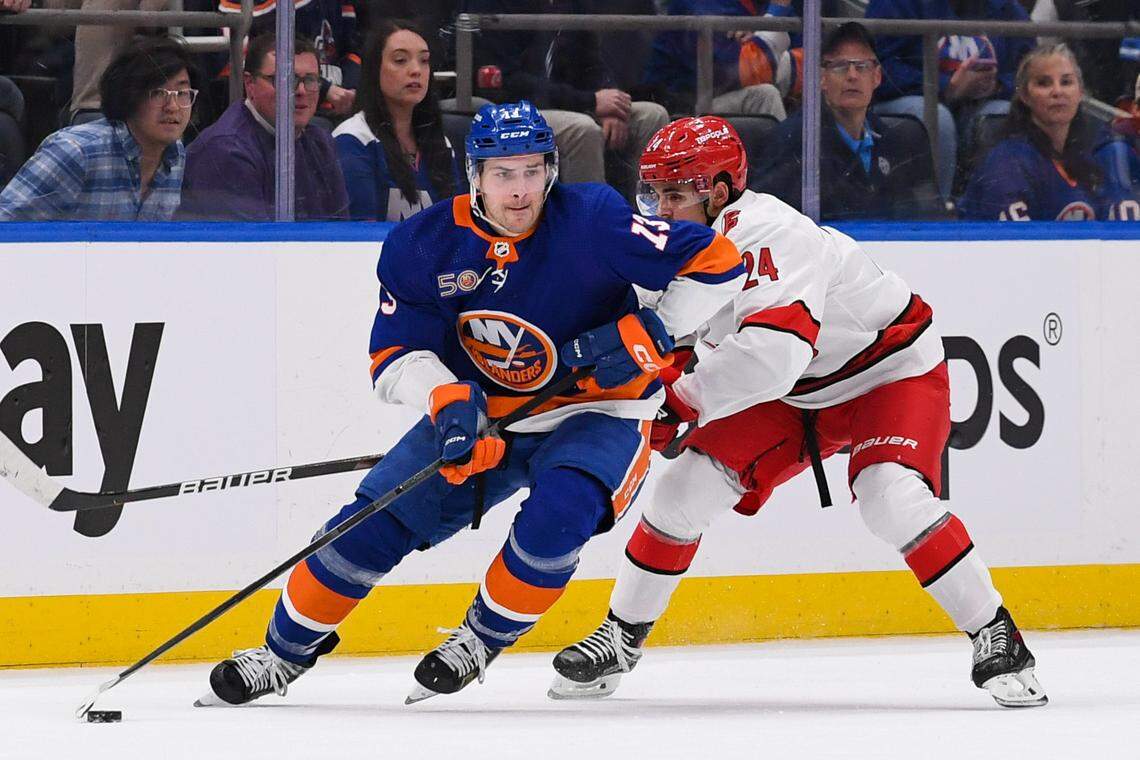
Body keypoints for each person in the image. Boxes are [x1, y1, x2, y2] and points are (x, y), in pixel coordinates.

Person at [195, 100, 745, 707]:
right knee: (367, 527)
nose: (520, 190)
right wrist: (449, 400)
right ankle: (281, 654)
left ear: (551, 171)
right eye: (503, 174)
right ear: (474, 175)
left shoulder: (593, 219)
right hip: (488, 412)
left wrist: (653, 332)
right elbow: (396, 353)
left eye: (533, 171)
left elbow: (719, 263)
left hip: (599, 409)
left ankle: (479, 641)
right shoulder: (424, 245)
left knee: (559, 516)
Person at [548, 116, 1048, 709]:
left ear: (723, 189)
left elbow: (772, 356)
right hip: (792, 392)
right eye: (652, 192)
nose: (659, 208)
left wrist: (680, 399)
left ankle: (998, 637)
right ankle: (622, 637)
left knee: (890, 495)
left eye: (675, 195)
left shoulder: (771, 233)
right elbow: (661, 332)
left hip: (885, 372)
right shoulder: (674, 240)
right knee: (682, 490)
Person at [462, 0, 669, 196]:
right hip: (511, 108)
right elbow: (509, 83)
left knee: (651, 115)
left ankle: (650, 218)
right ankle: (590, 224)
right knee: (582, 130)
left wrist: (611, 103)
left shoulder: (568, 3)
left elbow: (591, 61)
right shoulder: (495, 3)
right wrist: (591, 102)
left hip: (567, 102)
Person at [753, 22, 942, 220]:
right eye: (840, 67)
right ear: (821, 78)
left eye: (862, 66)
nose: (852, 75)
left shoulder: (901, 142)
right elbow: (767, 223)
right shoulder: (795, 141)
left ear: (876, 77)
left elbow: (930, 219)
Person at [0, 37, 192, 221]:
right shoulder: (75, 151)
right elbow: (5, 224)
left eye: (182, 93)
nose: (173, 106)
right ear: (128, 96)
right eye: (158, 93)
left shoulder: (176, 154)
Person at [867, 0, 1034, 200]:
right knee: (938, 119)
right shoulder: (896, 4)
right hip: (909, 100)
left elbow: (1031, 69)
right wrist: (943, 87)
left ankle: (991, 208)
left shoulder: (1007, 8)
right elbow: (877, 66)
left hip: (981, 104)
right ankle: (938, 212)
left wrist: (996, 85)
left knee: (1003, 114)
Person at [960, 44, 1140, 221]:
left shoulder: (1092, 158)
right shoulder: (1007, 162)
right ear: (1024, 95)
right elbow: (1013, 245)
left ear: (1080, 93)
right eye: (1044, 83)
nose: (1057, 91)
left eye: (1066, 82)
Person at [179, 34, 349, 221]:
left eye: (311, 80)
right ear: (250, 84)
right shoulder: (226, 151)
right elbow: (254, 246)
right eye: (285, 80)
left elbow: (340, 233)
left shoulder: (321, 142)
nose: (301, 91)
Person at [333, 21, 460, 222]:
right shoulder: (352, 139)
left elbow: (456, 227)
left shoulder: (441, 143)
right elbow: (360, 238)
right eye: (400, 60)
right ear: (374, 69)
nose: (416, 70)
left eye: (424, 60)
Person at [640, 0, 789, 120]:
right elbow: (748, 72)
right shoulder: (699, 4)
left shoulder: (757, 4)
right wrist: (776, 14)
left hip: (717, 97)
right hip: (680, 110)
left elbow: (808, 65)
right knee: (765, 96)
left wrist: (760, 39)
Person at [219, 0, 362, 118]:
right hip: (292, 111)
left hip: (340, 106)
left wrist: (351, 89)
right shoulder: (257, 5)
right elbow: (258, 64)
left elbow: (351, 50)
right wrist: (325, 90)